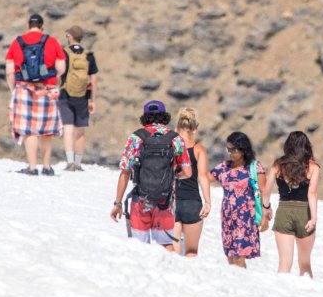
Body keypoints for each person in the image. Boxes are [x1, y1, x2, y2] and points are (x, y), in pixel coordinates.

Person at [109, 100, 192, 251]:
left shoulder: (136, 138)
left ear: (145, 117)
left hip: (140, 201)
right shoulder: (175, 139)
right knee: (166, 244)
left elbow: (125, 172)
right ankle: (166, 273)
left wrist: (118, 203)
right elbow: (188, 172)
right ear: (164, 116)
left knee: (139, 247)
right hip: (166, 202)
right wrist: (171, 176)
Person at [4, 13, 66, 175]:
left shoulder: (18, 42)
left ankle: (32, 167)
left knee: (29, 130)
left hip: (24, 90)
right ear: (42, 26)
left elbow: (10, 71)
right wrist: (52, 78)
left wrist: (13, 89)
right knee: (46, 130)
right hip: (47, 89)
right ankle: (46, 166)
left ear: (28, 26)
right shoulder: (52, 42)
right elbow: (61, 67)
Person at [261, 131, 320, 277]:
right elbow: (312, 193)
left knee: (284, 263)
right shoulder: (313, 167)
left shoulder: (278, 165)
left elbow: (266, 190)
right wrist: (313, 218)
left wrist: (266, 207)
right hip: (304, 213)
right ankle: (306, 295)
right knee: (305, 263)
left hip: (283, 212)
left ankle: (280, 296)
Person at [209, 132, 265, 267]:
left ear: (243, 149)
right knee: (230, 258)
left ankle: (242, 285)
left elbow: (262, 192)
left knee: (239, 257)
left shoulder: (254, 168)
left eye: (233, 150)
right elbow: (205, 178)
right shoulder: (224, 167)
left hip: (246, 219)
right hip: (228, 218)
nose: (230, 153)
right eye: (228, 149)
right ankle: (235, 285)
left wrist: (265, 217)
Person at [171, 108, 212, 257]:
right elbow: (203, 176)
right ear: (195, 130)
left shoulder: (170, 146)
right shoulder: (198, 149)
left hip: (171, 201)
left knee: (173, 252)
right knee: (191, 252)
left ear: (176, 128)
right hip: (192, 203)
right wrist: (208, 202)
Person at [58, 24, 98, 171]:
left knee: (68, 128)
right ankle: (79, 162)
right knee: (80, 131)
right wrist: (92, 100)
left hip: (65, 93)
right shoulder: (89, 55)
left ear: (70, 37)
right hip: (83, 96)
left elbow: (59, 71)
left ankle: (70, 162)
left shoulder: (64, 53)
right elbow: (93, 80)